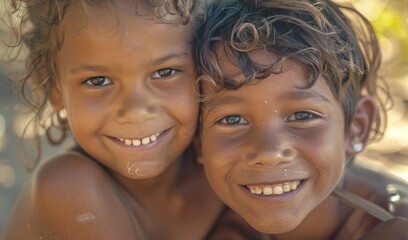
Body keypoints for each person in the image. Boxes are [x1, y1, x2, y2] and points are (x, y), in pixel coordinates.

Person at [0, 0, 259, 239]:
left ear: (205, 70)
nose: (135, 110)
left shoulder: (223, 165)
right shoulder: (68, 188)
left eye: (165, 72)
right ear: (55, 89)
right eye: (97, 81)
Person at [194, 0, 408, 239]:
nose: (269, 153)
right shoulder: (216, 220)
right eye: (232, 120)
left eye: (302, 116)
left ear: (356, 126)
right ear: (198, 140)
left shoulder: (400, 224)